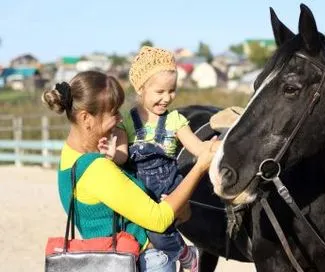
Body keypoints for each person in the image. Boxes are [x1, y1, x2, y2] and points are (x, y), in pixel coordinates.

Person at [41, 70, 218, 272]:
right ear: (86, 118)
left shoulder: (69, 156)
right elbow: (159, 220)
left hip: (107, 260)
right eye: (113, 112)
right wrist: (200, 167)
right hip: (146, 262)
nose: (119, 119)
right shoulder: (97, 169)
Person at [97, 46, 216, 272]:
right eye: (160, 91)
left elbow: (197, 147)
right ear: (141, 88)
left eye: (172, 91)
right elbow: (122, 156)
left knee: (157, 231)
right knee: (147, 231)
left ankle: (185, 254)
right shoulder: (128, 123)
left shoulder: (175, 120)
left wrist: (213, 147)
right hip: (141, 189)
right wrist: (113, 154)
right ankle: (184, 252)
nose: (167, 98)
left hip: (169, 186)